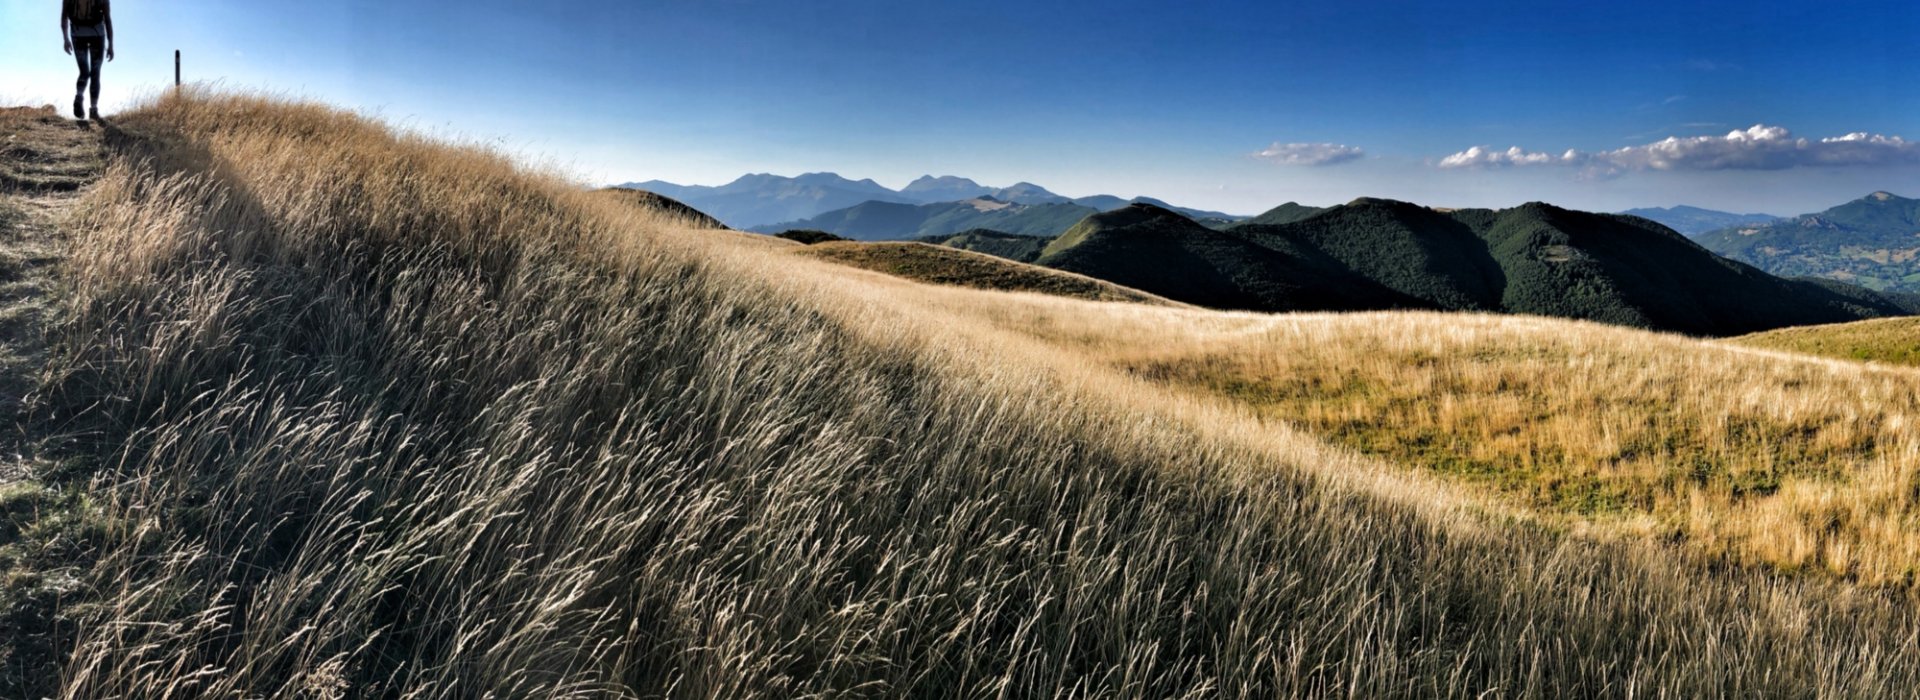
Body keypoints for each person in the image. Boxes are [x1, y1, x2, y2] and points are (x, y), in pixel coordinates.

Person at [60, 0, 114, 121]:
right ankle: (93, 110)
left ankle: (79, 96)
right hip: (97, 35)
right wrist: (110, 45)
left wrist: (66, 39)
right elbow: (107, 20)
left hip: (77, 34)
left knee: (84, 71)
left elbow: (64, 18)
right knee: (95, 73)